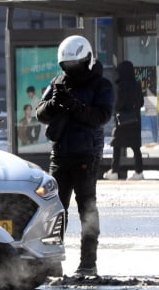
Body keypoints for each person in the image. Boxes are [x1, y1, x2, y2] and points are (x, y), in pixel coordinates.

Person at [36, 35, 114, 277]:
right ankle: (52, 262)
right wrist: (55, 104)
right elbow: (40, 112)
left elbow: (101, 117)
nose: (71, 71)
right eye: (67, 67)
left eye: (75, 66)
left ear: (87, 60)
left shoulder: (101, 85)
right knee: (54, 212)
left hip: (86, 157)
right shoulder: (58, 82)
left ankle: (88, 263)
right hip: (59, 156)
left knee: (87, 210)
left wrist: (74, 106)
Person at [103, 61, 144, 181]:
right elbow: (141, 102)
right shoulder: (137, 84)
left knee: (116, 145)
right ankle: (139, 172)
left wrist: (116, 108)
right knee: (136, 147)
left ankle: (114, 171)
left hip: (123, 120)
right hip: (135, 120)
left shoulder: (122, 85)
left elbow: (120, 103)